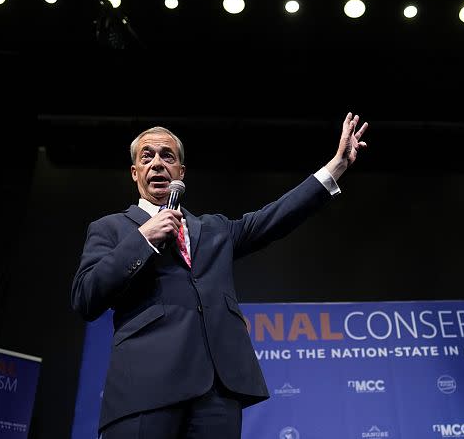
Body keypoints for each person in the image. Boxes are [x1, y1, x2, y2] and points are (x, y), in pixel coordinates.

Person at [71, 112, 369, 439]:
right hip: (145, 390)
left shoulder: (214, 229)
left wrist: (336, 166)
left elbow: (275, 217)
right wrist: (143, 238)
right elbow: (86, 297)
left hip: (216, 395)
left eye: (167, 156)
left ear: (181, 172)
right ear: (135, 172)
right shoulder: (110, 228)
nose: (157, 163)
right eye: (147, 157)